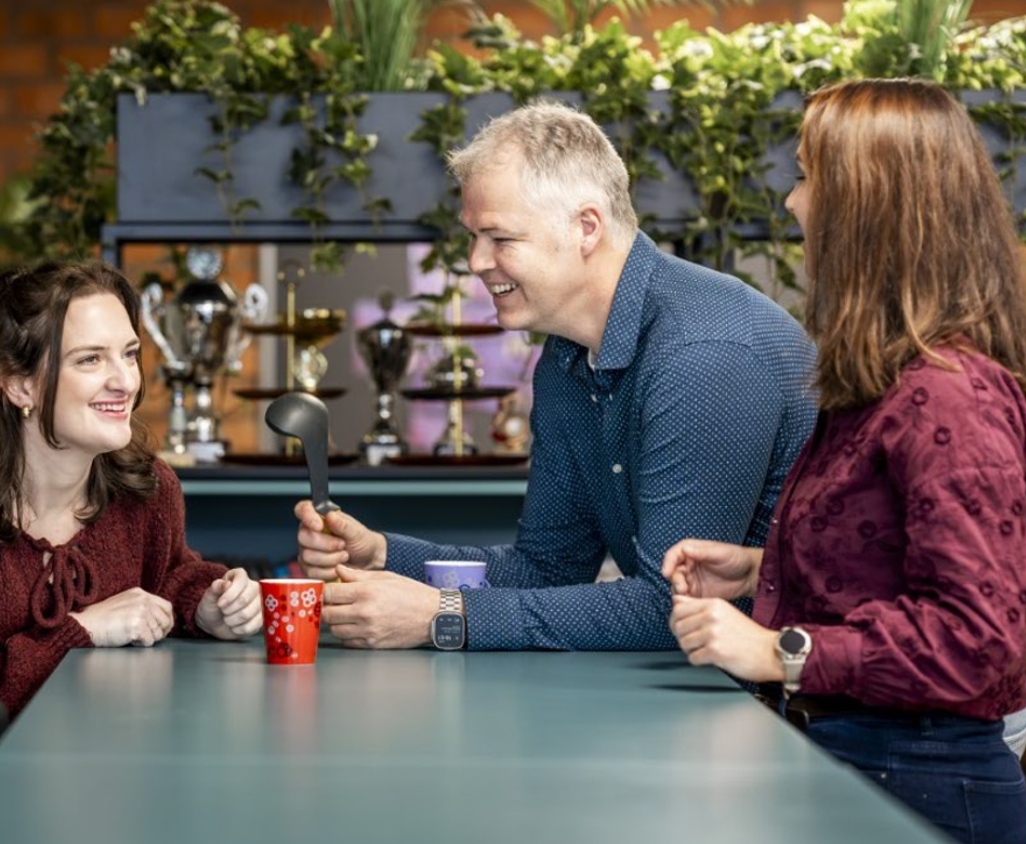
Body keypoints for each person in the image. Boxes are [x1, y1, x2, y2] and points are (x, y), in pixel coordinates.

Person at [294, 100, 818, 651]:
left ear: (586, 227)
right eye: (473, 237)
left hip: (780, 707)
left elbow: (675, 607)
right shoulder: (567, 356)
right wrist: (381, 553)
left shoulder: (702, 352)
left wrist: (445, 614)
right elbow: (548, 568)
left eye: (500, 238)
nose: (475, 261)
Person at [663, 78, 1026, 844]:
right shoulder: (882, 383)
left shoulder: (947, 396)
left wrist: (780, 650)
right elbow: (896, 563)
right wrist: (763, 570)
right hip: (863, 767)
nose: (792, 203)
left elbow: (979, 642)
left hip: (921, 788)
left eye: (805, 176)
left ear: (866, 206)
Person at [0, 262, 263, 837]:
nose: (125, 381)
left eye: (129, 354)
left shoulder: (148, 490)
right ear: (19, 384)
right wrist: (76, 633)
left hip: (77, 767)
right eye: (91, 359)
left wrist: (205, 602)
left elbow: (168, 574)